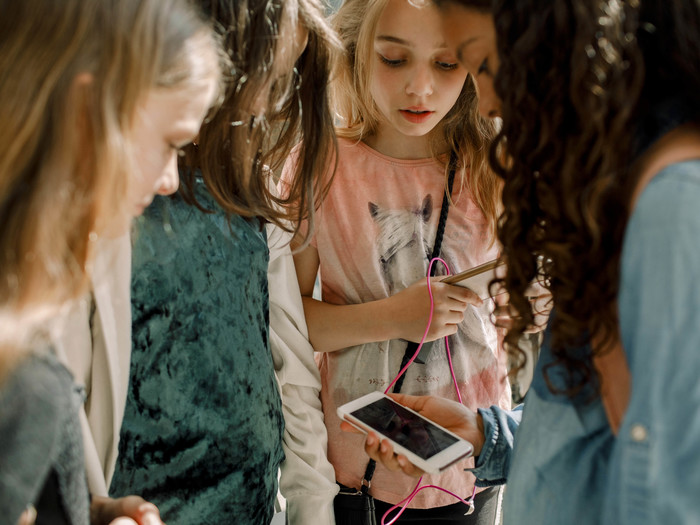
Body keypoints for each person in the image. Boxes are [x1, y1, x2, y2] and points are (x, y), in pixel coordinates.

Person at [355, 0, 700, 524]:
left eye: (484, 64)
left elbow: (664, 484)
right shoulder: (611, 199)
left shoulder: (671, 209)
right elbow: (597, 431)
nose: (487, 99)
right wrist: (488, 433)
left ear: (556, 45)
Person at [108, 0, 340, 523]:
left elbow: (289, 370)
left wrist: (313, 506)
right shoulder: (125, 199)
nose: (275, 105)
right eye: (270, 78)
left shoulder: (253, 199)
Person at [286, 0, 513, 522]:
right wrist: (394, 317)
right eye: (394, 59)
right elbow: (288, 325)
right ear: (357, 51)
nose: (420, 88)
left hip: (472, 470)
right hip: (357, 474)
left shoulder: (495, 166)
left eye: (446, 64)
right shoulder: (319, 166)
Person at [0, 0, 223, 524]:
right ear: (85, 115)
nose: (169, 180)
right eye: (170, 143)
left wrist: (81, 511)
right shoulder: (18, 384)